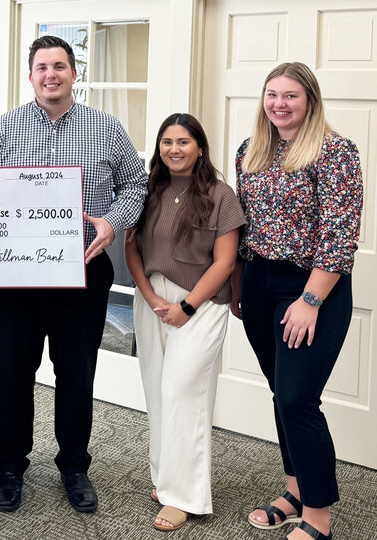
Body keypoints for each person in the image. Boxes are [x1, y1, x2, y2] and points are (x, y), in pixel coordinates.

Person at [0, 35, 147, 513]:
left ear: (74, 74)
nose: (51, 74)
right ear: (30, 76)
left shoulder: (105, 127)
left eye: (60, 66)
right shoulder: (5, 129)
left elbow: (137, 180)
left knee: (75, 373)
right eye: (42, 67)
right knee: (13, 373)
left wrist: (113, 220)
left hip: (83, 274)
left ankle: (74, 465)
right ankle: (10, 465)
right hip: (17, 277)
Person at [234, 62, 362, 540]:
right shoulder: (252, 151)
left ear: (310, 99)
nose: (279, 104)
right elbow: (244, 227)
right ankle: (293, 492)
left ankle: (319, 518)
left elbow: (339, 235)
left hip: (312, 287)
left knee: (298, 400)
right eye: (272, 94)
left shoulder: (335, 152)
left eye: (290, 95)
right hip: (259, 282)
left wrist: (309, 300)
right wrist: (238, 285)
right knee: (280, 395)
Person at [124, 113, 245, 531]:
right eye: (167, 142)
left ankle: (185, 496)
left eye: (184, 142)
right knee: (158, 391)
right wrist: (151, 295)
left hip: (201, 304)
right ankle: (165, 478)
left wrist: (186, 308)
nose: (174, 149)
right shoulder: (147, 191)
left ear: (200, 147)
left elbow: (225, 262)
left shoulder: (220, 195)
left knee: (183, 393)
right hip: (153, 298)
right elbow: (133, 250)